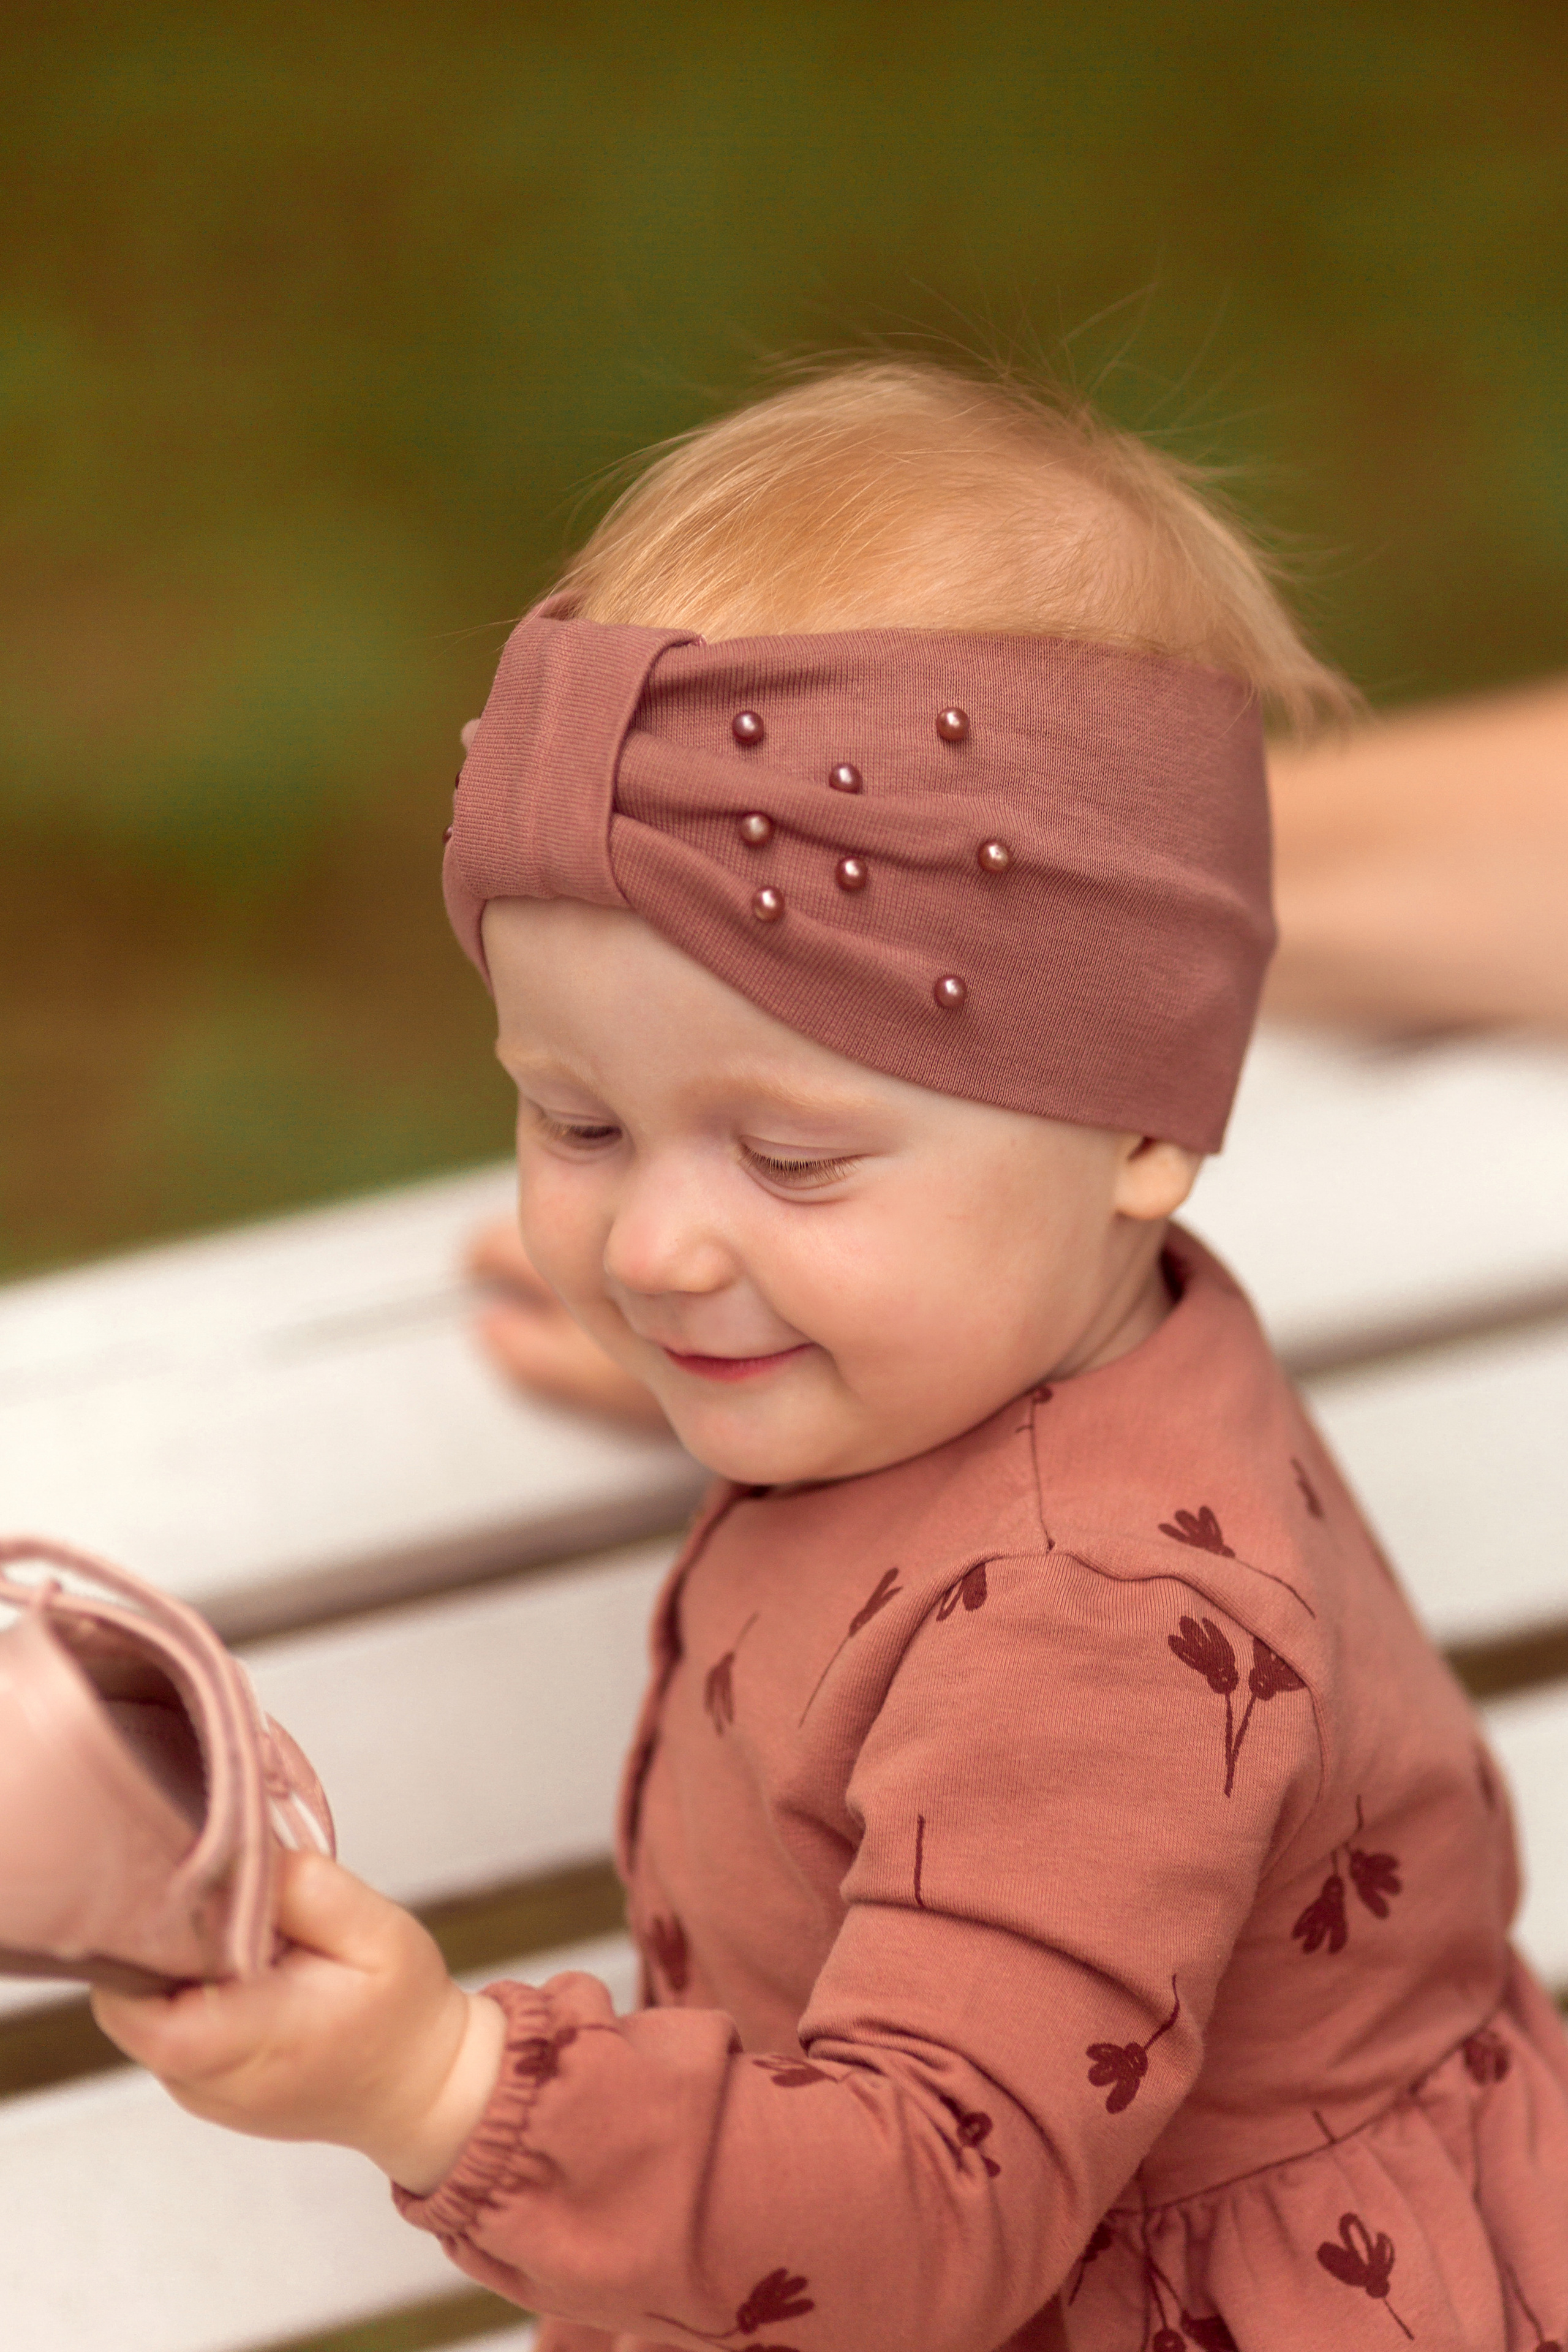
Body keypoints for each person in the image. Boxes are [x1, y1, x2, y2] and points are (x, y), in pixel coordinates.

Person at [94, 364, 1568, 2351]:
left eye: (791, 1158)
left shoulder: (1097, 1621)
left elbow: (923, 2218)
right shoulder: (1010, 1356)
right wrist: (787, 1333)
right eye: (578, 1121)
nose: (657, 1246)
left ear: (1143, 1128)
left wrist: (441, 2086)